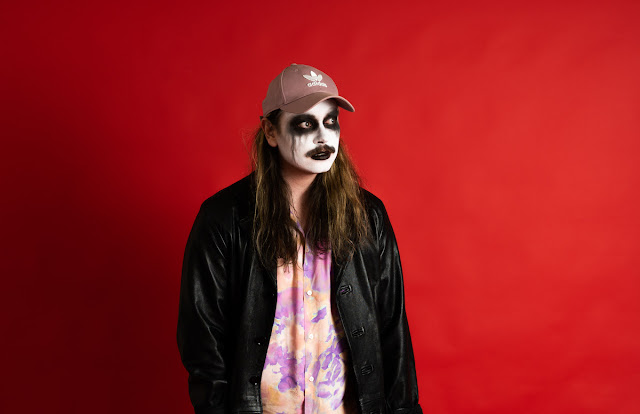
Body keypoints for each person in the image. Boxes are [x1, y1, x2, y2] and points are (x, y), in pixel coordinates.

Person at [177, 63, 422, 414]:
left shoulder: (368, 215)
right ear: (270, 131)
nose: (323, 137)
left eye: (331, 121)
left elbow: (392, 328)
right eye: (305, 124)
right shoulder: (223, 218)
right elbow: (203, 338)